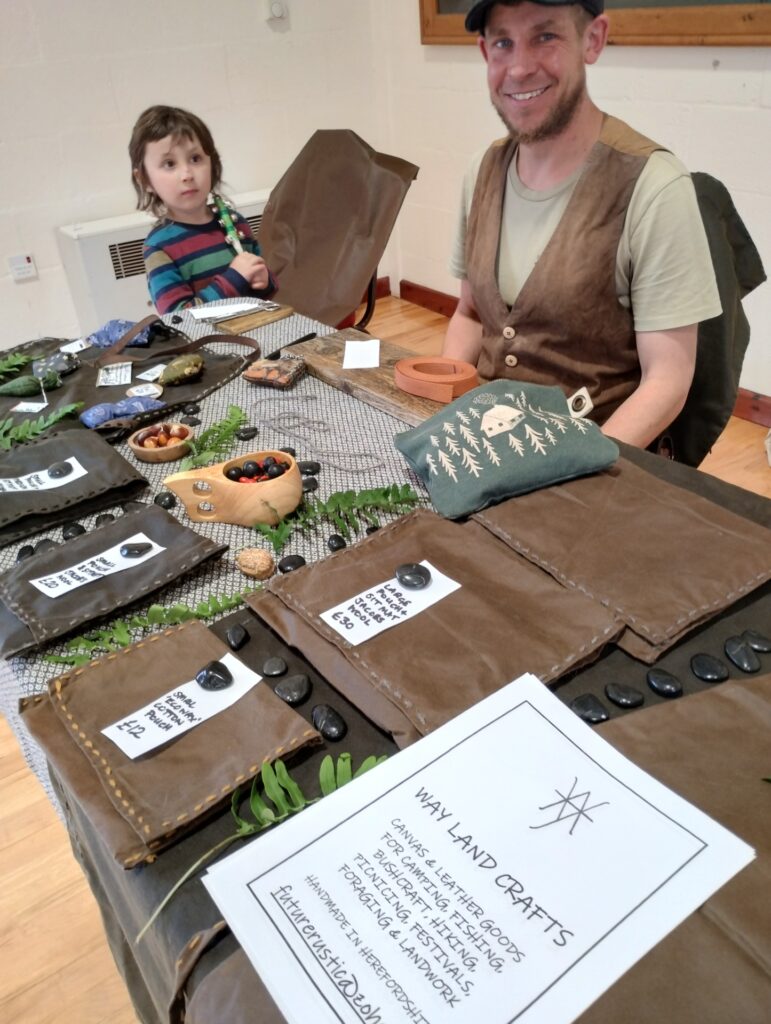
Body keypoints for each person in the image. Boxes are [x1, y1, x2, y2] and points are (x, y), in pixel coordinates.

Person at [443, 0, 721, 448]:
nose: (519, 68)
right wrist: (446, 413)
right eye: (503, 43)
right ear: (484, 53)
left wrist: (575, 464)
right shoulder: (482, 171)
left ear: (592, 40)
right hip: (489, 440)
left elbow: (667, 381)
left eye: (545, 37)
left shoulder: (654, 186)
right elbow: (471, 312)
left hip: (601, 457)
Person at [129, 105, 277, 315]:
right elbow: (180, 319)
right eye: (169, 163)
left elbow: (266, 294)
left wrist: (265, 281)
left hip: (258, 334)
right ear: (144, 179)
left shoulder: (235, 223)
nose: (187, 174)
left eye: (195, 159)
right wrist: (234, 279)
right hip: (208, 346)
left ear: (212, 163)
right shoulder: (159, 248)